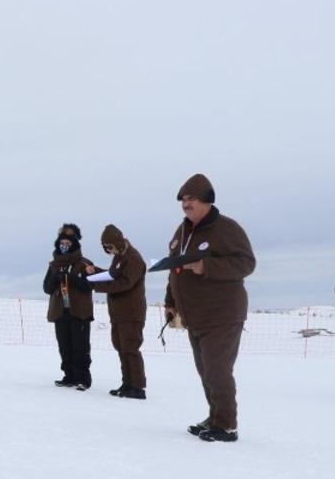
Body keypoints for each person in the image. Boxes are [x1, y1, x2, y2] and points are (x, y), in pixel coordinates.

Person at [163, 174, 256, 442]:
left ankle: (226, 424)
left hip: (222, 314)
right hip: (195, 314)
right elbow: (174, 270)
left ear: (207, 200)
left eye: (191, 199)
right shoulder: (181, 232)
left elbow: (246, 264)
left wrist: (206, 267)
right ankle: (215, 417)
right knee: (206, 371)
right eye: (183, 199)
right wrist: (171, 303)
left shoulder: (227, 229)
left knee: (217, 371)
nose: (186, 204)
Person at [86, 224, 147, 399]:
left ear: (118, 243)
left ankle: (137, 387)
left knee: (130, 347)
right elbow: (113, 275)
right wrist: (95, 272)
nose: (109, 251)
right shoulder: (120, 258)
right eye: (106, 248)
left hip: (131, 312)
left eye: (110, 247)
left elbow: (125, 283)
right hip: (118, 312)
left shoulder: (133, 259)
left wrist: (96, 286)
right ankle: (127, 383)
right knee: (121, 347)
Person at [43, 223, 94, 390]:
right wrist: (55, 278)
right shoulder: (53, 265)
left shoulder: (85, 264)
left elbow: (89, 285)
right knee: (64, 346)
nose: (64, 246)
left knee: (80, 347)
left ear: (75, 243)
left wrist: (72, 279)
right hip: (60, 311)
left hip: (79, 312)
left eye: (68, 243)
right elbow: (46, 288)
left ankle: (83, 379)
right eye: (62, 243)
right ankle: (69, 376)